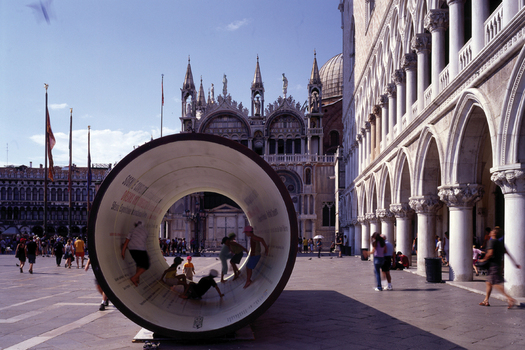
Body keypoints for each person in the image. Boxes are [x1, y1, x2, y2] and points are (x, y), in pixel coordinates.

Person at [478, 228, 521, 308]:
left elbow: (490, 253)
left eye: (492, 231)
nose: (490, 232)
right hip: (498, 265)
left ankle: (510, 298)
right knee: (489, 282)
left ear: (494, 234)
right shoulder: (500, 243)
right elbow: (508, 253)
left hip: (493, 265)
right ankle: (486, 300)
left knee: (495, 283)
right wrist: (515, 263)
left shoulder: (492, 241)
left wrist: (483, 259)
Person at [121, 220, 150, 287]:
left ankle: (137, 278)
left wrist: (123, 252)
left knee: (139, 263)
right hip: (141, 249)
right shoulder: (145, 231)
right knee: (146, 265)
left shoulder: (132, 230)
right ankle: (134, 277)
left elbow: (126, 242)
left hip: (132, 250)